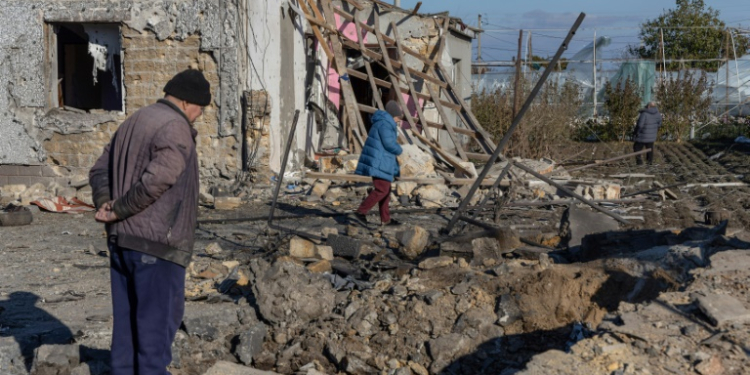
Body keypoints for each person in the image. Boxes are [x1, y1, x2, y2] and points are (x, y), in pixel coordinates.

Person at [89, 69, 210, 375]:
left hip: (124, 244)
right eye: (200, 108)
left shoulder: (135, 120)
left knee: (127, 335)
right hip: (156, 247)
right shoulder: (175, 126)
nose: (200, 115)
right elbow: (161, 178)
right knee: (155, 338)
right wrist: (119, 209)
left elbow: (99, 170)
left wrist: (108, 203)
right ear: (185, 102)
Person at [353, 101, 404, 226]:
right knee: (382, 190)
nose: (399, 120)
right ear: (394, 116)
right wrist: (401, 150)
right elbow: (389, 144)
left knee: (385, 191)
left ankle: (385, 219)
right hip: (379, 163)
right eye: (398, 117)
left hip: (382, 162)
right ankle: (360, 212)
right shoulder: (385, 124)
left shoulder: (384, 123)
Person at [633, 101, 662, 165]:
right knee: (650, 148)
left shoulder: (644, 114)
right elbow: (659, 124)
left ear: (648, 106)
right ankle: (649, 163)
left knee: (637, 148)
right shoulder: (658, 114)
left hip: (642, 135)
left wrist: (636, 133)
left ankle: (639, 162)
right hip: (652, 136)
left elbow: (640, 125)